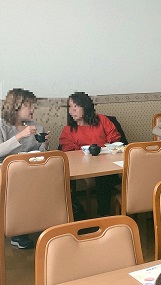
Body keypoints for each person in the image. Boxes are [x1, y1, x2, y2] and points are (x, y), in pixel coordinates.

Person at [1, 88, 49, 249]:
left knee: (54, 176)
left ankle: (52, 223)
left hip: (33, 171)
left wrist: (45, 143)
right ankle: (19, 232)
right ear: (16, 106)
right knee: (20, 184)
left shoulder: (36, 127)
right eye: (29, 106)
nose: (33, 110)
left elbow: (42, 155)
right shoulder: (2, 125)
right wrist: (20, 135)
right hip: (8, 174)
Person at [59, 92, 121, 217]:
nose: (71, 111)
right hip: (82, 167)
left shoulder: (103, 120)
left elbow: (114, 140)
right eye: (69, 107)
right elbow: (68, 150)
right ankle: (80, 216)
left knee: (103, 177)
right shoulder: (69, 130)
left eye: (75, 107)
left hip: (106, 164)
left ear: (86, 107)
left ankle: (103, 215)